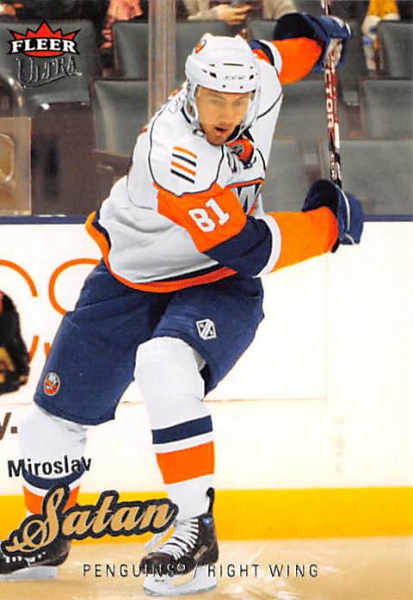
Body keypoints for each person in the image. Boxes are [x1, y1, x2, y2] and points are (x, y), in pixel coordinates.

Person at [0, 11, 363, 596]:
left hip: (216, 284)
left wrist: (316, 41)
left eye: (237, 101)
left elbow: (279, 57)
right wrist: (327, 226)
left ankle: (195, 532)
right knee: (51, 417)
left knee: (164, 363)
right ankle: (45, 534)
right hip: (132, 277)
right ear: (192, 92)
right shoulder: (172, 152)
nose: (227, 113)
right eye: (214, 100)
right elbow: (245, 246)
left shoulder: (253, 78)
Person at [184, 0, 297, 28]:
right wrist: (212, 18)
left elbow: (294, 34)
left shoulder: (276, 3)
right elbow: (179, 34)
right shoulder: (191, 3)